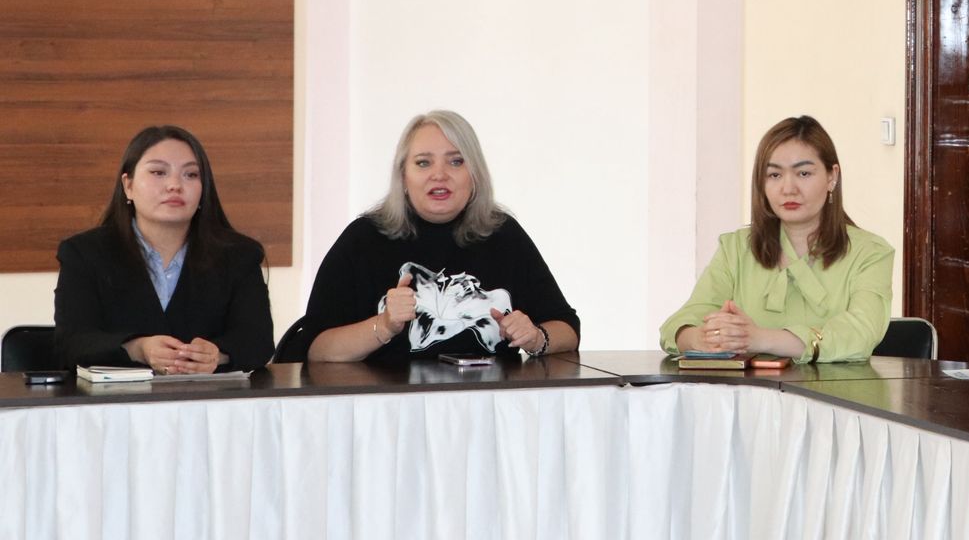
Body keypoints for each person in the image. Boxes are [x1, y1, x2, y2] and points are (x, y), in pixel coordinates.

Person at [303, 110, 579, 362]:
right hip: (389, 400)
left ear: (475, 174)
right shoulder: (363, 239)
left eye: (456, 161)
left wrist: (536, 338)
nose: (439, 175)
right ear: (403, 176)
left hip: (487, 398)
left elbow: (567, 328)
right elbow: (316, 349)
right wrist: (384, 325)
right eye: (423, 163)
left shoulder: (504, 235)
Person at [660, 115, 893, 362]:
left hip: (839, 387)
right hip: (748, 388)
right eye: (774, 175)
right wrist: (705, 337)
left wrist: (759, 339)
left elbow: (859, 334)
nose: (788, 188)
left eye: (804, 173)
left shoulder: (870, 252)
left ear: (831, 177)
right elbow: (679, 325)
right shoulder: (736, 248)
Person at [54, 125, 274, 373]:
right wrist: (138, 348)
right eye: (158, 172)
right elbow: (71, 344)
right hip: (118, 397)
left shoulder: (240, 255)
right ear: (128, 185)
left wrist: (218, 356)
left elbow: (259, 342)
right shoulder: (84, 254)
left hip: (209, 396)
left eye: (190, 175)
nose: (174, 185)